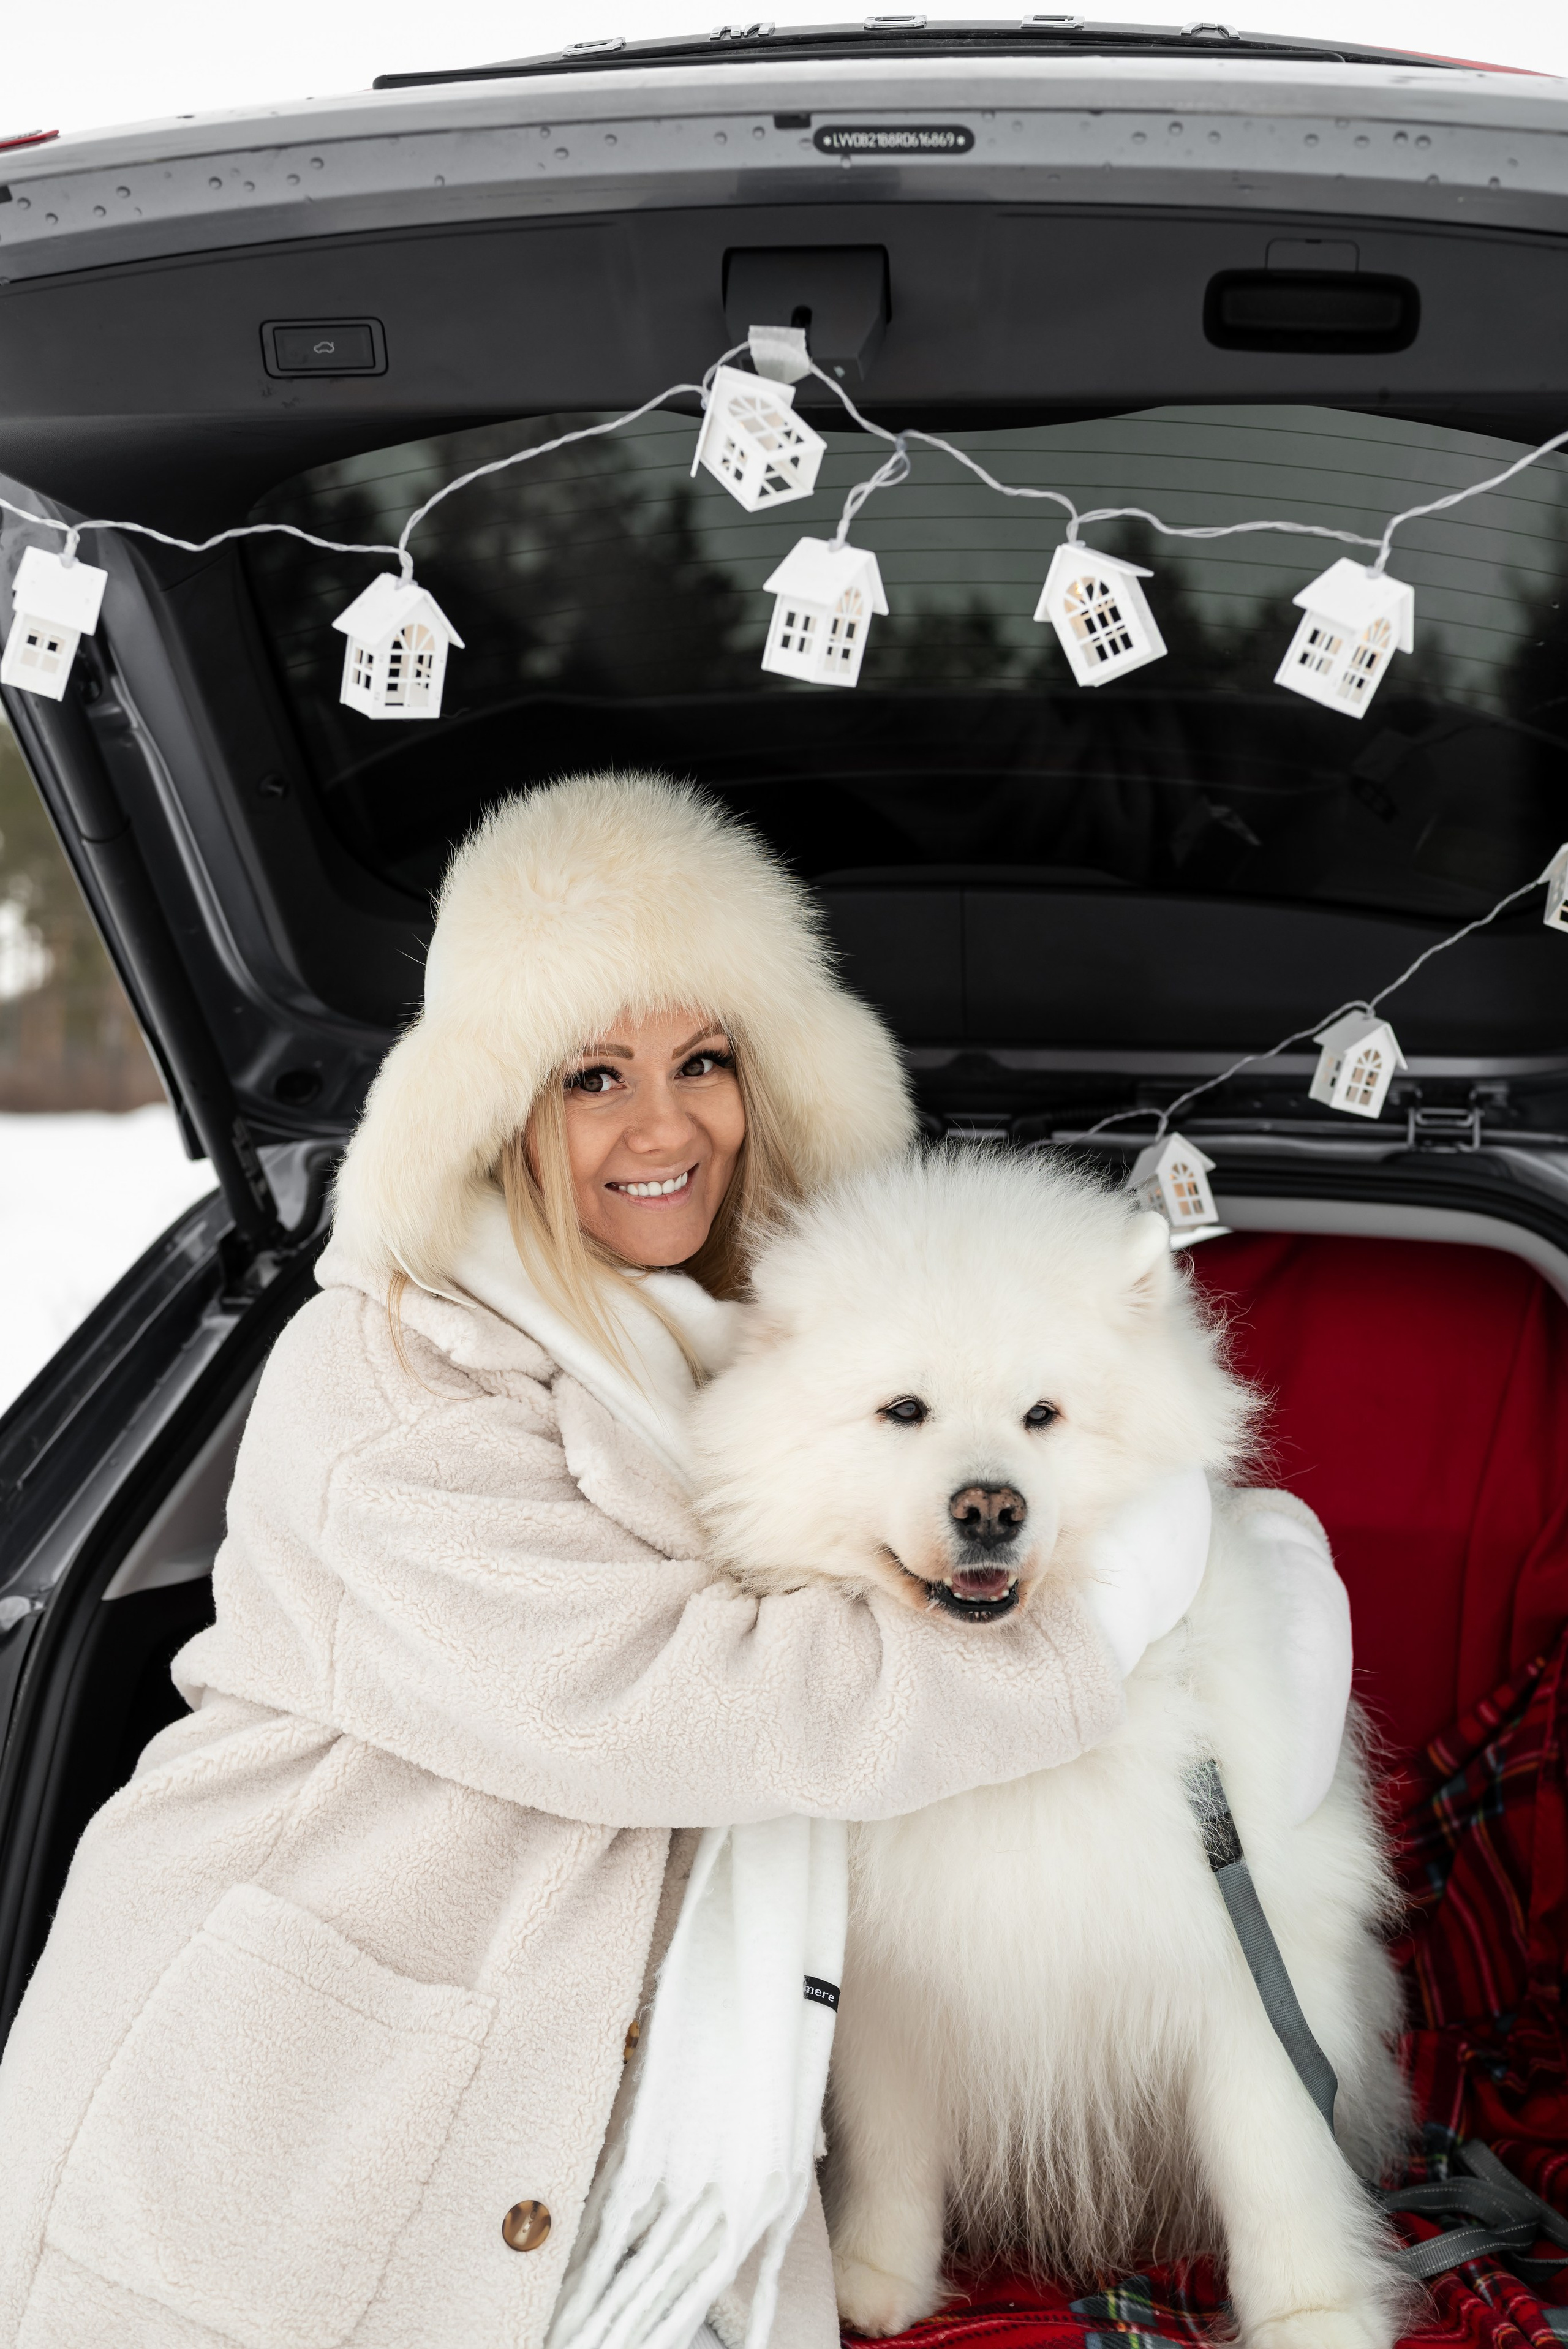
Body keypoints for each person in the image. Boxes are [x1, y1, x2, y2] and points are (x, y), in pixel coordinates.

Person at [0, 774, 1341, 2349]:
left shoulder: (738, 1346)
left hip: (596, 2127)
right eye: (592, 1073)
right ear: (498, 1102)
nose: (662, 1123)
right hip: (300, 2132)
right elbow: (655, 1706)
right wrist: (1094, 1630)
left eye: (704, 1058)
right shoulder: (390, 1370)